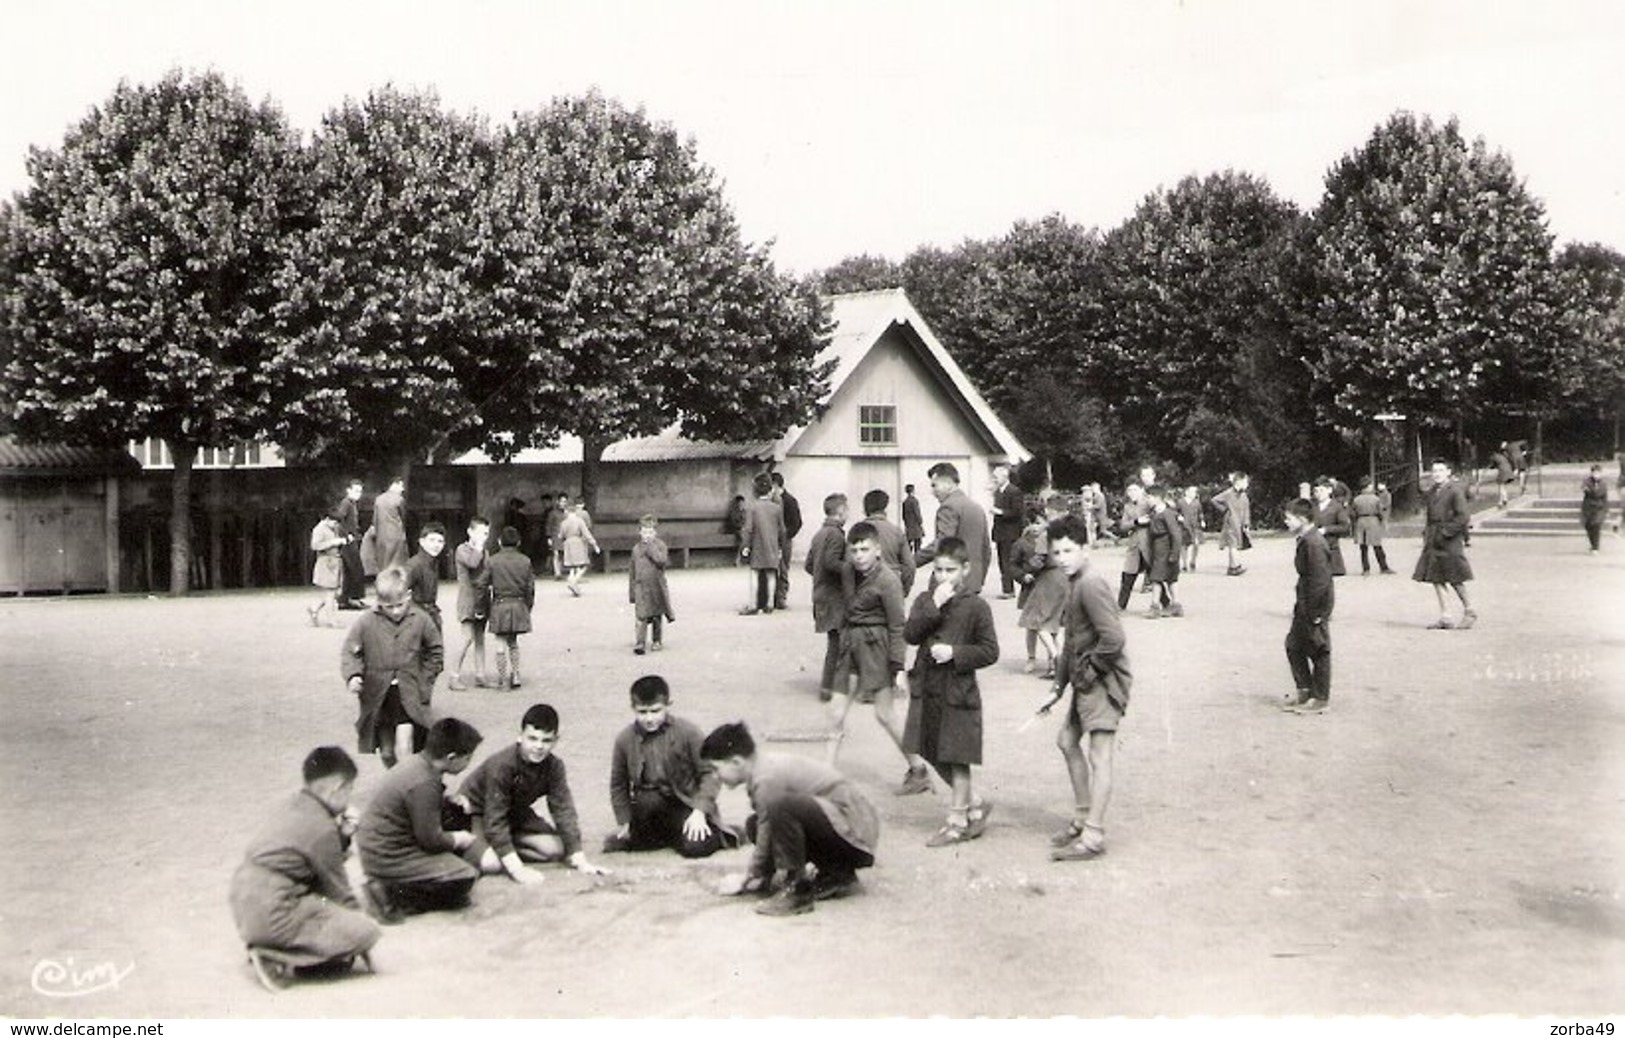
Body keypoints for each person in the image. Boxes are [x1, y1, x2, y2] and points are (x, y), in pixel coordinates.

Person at [229, 746, 380, 988]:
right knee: (367, 931)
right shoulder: (322, 827)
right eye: (349, 789)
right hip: (276, 910)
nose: (350, 796)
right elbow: (340, 893)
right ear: (337, 788)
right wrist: (360, 931)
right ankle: (275, 956)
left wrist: (341, 837)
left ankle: (269, 945)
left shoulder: (294, 804)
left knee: (320, 906)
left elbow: (304, 852)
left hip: (244, 902)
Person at [705, 722, 880, 917]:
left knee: (780, 807)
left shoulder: (766, 777)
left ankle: (797, 889)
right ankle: (837, 874)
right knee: (755, 823)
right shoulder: (762, 767)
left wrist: (748, 876)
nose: (715, 776)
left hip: (855, 834)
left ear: (737, 762)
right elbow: (766, 826)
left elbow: (769, 825)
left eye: (715, 768)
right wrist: (762, 874)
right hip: (848, 829)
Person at [1041, 514, 1131, 862]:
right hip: (1083, 679)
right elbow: (1072, 642)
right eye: (1057, 552)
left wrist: (1091, 672)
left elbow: (1114, 639)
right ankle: (1082, 817)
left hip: (1103, 682)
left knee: (1100, 755)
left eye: (1068, 550)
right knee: (1066, 741)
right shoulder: (1074, 581)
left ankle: (1093, 835)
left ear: (1085, 549)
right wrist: (1058, 686)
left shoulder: (1091, 584)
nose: (1061, 558)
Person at [902, 537, 999, 847]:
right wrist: (934, 605)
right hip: (927, 688)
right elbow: (911, 634)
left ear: (965, 570)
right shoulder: (925, 600)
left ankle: (957, 821)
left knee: (957, 758)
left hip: (958, 692)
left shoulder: (977, 606)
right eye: (938, 570)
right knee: (929, 750)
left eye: (951, 570)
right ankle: (975, 803)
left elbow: (989, 651)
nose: (943, 577)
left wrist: (956, 653)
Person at [826, 522, 932, 796]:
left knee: (884, 715)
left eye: (865, 549)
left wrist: (897, 667)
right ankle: (825, 779)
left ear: (878, 550)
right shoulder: (849, 571)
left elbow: (898, 625)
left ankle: (918, 769)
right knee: (836, 713)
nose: (859, 555)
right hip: (850, 646)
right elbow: (825, 562)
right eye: (854, 550)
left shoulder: (888, 580)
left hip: (877, 648)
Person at [449, 703, 607, 885]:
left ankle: (501, 847)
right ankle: (481, 849)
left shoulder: (555, 766)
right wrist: (517, 869)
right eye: (532, 738)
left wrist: (579, 858)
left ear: (556, 740)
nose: (539, 746)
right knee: (490, 864)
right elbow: (494, 819)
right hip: (476, 813)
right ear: (520, 736)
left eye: (546, 740)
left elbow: (563, 809)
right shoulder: (502, 766)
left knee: (557, 850)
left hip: (513, 813)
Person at [356, 718, 485, 921]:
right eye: (467, 757)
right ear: (451, 758)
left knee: (454, 815)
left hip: (376, 845)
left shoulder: (418, 763)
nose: (468, 763)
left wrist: (447, 801)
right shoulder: (425, 782)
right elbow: (430, 839)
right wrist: (458, 839)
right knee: (465, 876)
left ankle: (392, 886)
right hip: (387, 855)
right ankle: (388, 895)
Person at [604, 675, 739, 858]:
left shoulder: (688, 732)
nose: (649, 718)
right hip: (649, 807)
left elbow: (710, 774)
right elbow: (618, 784)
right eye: (642, 712)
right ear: (633, 708)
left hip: (686, 803)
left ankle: (721, 833)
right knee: (627, 842)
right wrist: (624, 820)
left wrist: (699, 811)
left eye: (655, 711)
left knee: (695, 848)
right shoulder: (624, 739)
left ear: (668, 705)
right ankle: (664, 836)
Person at [342, 566, 443, 769]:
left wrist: (425, 682)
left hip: (410, 692)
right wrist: (353, 675)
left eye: (400, 605)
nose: (396, 611)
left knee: (404, 747)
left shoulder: (421, 619)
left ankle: (407, 790)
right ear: (378, 601)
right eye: (389, 607)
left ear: (409, 595)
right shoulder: (366, 622)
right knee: (388, 753)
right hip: (379, 695)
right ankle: (396, 783)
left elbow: (435, 651)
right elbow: (350, 652)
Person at [1282, 499, 1335, 714]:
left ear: (1302, 519)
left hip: (1314, 604)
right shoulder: (1306, 539)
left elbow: (1321, 580)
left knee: (1319, 649)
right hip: (1304, 601)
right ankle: (1304, 691)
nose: (1286, 521)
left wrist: (1315, 612)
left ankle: (1320, 698)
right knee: (1294, 645)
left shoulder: (1313, 542)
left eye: (1289, 518)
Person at [1413, 459, 1476, 630]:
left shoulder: (1455, 490)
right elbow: (1429, 516)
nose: (1437, 474)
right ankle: (1446, 616)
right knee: (1436, 577)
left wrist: (1445, 533)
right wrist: (1428, 535)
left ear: (1448, 472)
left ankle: (1469, 611)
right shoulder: (1432, 491)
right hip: (1434, 538)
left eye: (1441, 470)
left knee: (1455, 576)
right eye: (1434, 471)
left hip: (1450, 539)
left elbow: (1463, 517)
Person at [916, 462, 992, 594]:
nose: (933, 492)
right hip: (973, 584)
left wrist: (910, 562)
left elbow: (942, 544)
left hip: (950, 585)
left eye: (935, 485)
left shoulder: (948, 507)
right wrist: (979, 580)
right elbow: (986, 549)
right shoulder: (976, 507)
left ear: (949, 484)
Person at [805, 493, 849, 702]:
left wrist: (820, 576)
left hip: (820, 595)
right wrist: (850, 569)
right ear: (840, 512)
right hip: (834, 598)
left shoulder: (818, 534)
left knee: (834, 642)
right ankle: (830, 688)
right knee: (837, 644)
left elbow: (808, 565)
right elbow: (832, 563)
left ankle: (828, 687)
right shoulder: (837, 535)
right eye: (847, 509)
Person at [1013, 507, 1066, 677]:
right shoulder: (1065, 534)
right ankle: (1061, 661)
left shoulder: (1045, 536)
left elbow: (1039, 561)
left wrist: (1029, 568)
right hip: (1064, 579)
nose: (1036, 526)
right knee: (1056, 625)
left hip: (1048, 580)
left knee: (1039, 623)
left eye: (1039, 522)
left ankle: (1056, 657)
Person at [487, 525, 535, 688]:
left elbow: (482, 585)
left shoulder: (492, 561)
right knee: (513, 642)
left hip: (499, 604)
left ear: (499, 541)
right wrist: (527, 606)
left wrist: (483, 608)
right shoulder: (525, 561)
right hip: (518, 604)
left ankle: (501, 677)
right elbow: (530, 588)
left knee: (500, 642)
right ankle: (515, 674)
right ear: (519, 542)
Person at [449, 516, 492, 690]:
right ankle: (453, 676)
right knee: (467, 638)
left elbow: (488, 570)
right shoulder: (462, 549)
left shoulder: (484, 551)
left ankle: (480, 675)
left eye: (486, 534)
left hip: (481, 598)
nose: (484, 537)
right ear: (470, 532)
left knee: (480, 638)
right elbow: (473, 563)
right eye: (481, 533)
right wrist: (479, 548)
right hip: (467, 600)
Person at [738, 472, 786, 615]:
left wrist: (745, 546)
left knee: (754, 573)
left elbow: (748, 529)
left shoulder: (752, 508)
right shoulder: (776, 508)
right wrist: (780, 547)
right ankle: (770, 604)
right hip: (772, 545)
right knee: (771, 574)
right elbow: (782, 530)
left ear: (755, 490)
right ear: (770, 489)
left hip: (758, 545)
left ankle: (753, 605)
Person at [629, 514, 675, 654]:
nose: (647, 535)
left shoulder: (660, 546)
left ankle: (656, 640)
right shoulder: (636, 549)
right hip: (641, 587)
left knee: (656, 614)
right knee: (641, 615)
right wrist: (632, 590)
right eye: (644, 531)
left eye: (650, 532)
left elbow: (662, 561)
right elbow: (632, 570)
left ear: (655, 532)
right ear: (639, 532)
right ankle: (640, 643)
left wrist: (651, 549)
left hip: (656, 586)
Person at [861, 488, 916, 595]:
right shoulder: (896, 532)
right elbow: (910, 566)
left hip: (865, 588)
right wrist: (904, 590)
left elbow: (848, 566)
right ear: (885, 508)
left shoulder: (857, 531)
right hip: (891, 587)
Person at [1143, 485, 1184, 618]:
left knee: (1156, 579)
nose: (1147, 500)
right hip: (1159, 549)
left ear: (1157, 498)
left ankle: (1155, 607)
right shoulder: (1156, 513)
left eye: (1148, 497)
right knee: (1170, 579)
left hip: (1165, 549)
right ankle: (1176, 606)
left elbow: (1176, 534)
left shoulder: (1167, 513)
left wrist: (1174, 553)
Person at [404, 520, 447, 632]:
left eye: (440, 541)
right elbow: (400, 592)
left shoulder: (433, 562)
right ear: (422, 542)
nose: (436, 545)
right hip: (416, 619)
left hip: (431, 615)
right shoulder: (414, 565)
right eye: (432, 540)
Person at [990, 463, 1025, 598]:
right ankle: (1007, 589)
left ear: (1005, 476)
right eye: (994, 477)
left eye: (996, 477)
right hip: (1000, 532)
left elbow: (1017, 512)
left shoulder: (1014, 491)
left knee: (1009, 561)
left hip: (1011, 532)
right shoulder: (998, 492)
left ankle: (1009, 590)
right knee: (1001, 561)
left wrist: (1000, 512)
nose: (995, 479)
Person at [308, 508, 347, 628]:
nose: (336, 525)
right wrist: (334, 542)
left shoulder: (332, 528)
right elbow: (315, 546)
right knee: (330, 593)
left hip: (334, 562)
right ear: (327, 519)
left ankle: (314, 608)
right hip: (325, 563)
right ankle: (331, 620)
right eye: (334, 522)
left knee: (332, 593)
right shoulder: (319, 529)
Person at [1114, 483, 1151, 609]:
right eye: (1129, 491)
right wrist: (1136, 522)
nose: (1132, 493)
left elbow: (1159, 516)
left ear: (1141, 490)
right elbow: (1123, 526)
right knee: (1127, 575)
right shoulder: (1127, 507)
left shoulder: (1149, 503)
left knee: (1156, 576)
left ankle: (1167, 603)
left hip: (1149, 544)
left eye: (1135, 490)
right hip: (1134, 545)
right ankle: (1120, 605)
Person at [770, 473, 802, 611]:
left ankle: (781, 597)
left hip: (784, 540)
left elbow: (797, 522)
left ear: (776, 485)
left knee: (783, 569)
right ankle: (771, 597)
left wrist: (787, 535)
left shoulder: (790, 501)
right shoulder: (771, 501)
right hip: (772, 539)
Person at [335, 478, 367, 609]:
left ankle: (344, 600)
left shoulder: (351, 504)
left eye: (360, 491)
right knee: (356, 570)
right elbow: (339, 519)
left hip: (351, 541)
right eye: (355, 490)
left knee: (349, 572)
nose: (358, 493)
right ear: (348, 490)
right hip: (348, 543)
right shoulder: (346, 503)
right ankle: (354, 599)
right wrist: (346, 535)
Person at [1351, 478, 1394, 575]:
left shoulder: (1356, 499)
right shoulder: (1375, 498)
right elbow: (1380, 511)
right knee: (1377, 546)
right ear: (1368, 486)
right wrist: (1382, 520)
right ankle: (1384, 567)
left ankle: (1366, 569)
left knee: (1363, 548)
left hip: (1361, 522)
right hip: (1373, 521)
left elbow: (1353, 513)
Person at [368, 476, 409, 577]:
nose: (402, 489)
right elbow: (403, 516)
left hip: (381, 536)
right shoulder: (399, 499)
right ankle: (396, 586)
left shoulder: (378, 499)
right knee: (398, 563)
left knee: (383, 563)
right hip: (396, 535)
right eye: (401, 486)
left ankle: (382, 585)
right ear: (395, 484)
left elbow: (375, 519)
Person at [557, 498, 599, 598]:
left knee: (572, 566)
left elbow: (560, 535)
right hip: (578, 542)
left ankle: (571, 581)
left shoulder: (564, 523)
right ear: (574, 511)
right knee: (584, 564)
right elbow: (586, 533)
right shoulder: (579, 521)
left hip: (567, 543)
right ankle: (574, 580)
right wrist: (594, 544)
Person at [1212, 472, 1252, 575]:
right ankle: (1236, 566)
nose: (1247, 484)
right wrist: (1225, 510)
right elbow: (1214, 500)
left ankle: (1231, 567)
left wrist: (1246, 523)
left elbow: (1246, 510)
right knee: (1233, 545)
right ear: (1239, 482)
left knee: (1236, 544)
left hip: (1240, 523)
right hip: (1231, 522)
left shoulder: (1243, 495)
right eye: (1246, 482)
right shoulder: (1228, 493)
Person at [1312, 477, 1351, 578]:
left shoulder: (1337, 507)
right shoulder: (1312, 507)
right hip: (1314, 552)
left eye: (1321, 490)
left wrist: (1326, 530)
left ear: (1329, 490)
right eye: (1316, 491)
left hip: (1332, 553)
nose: (1318, 493)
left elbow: (1345, 527)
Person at [1580, 464, 1610, 554]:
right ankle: (1593, 544)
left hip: (1599, 507)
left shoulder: (1603, 483)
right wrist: (1590, 490)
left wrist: (1607, 509)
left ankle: (1595, 547)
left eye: (1598, 473)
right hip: (1588, 507)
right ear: (1592, 473)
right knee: (1588, 526)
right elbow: (1585, 489)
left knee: (1596, 524)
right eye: (1595, 472)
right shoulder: (1587, 481)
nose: (1596, 475)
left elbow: (1604, 497)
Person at [1176, 486, 1203, 572]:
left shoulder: (1197, 502)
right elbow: (1175, 512)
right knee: (1184, 545)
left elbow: (1200, 513)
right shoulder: (1180, 502)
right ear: (1186, 492)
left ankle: (1193, 561)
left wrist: (1202, 520)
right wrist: (1178, 517)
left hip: (1195, 526)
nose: (1194, 494)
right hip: (1183, 526)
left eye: (1195, 492)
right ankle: (1184, 564)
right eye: (1192, 492)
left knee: (1196, 544)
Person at [546, 492, 569, 580]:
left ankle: (560, 571)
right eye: (562, 501)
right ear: (558, 502)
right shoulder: (553, 513)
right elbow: (548, 525)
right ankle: (557, 573)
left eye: (565, 501)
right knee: (556, 554)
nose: (564, 503)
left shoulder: (567, 513)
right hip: (555, 535)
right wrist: (549, 537)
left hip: (565, 536)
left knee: (562, 554)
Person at [901, 484, 925, 556]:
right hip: (915, 525)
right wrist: (921, 522)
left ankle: (908, 558)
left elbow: (903, 516)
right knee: (918, 544)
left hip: (909, 525)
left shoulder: (905, 502)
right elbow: (917, 513)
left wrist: (906, 524)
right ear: (913, 491)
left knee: (908, 544)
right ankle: (917, 559)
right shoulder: (914, 501)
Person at [724, 494, 747, 561]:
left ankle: (741, 556)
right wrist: (741, 527)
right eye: (740, 503)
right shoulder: (733, 512)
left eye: (743, 503)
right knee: (742, 536)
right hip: (734, 530)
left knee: (745, 536)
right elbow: (733, 523)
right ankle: (738, 557)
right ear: (737, 503)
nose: (742, 504)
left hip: (742, 530)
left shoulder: (744, 511)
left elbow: (746, 521)